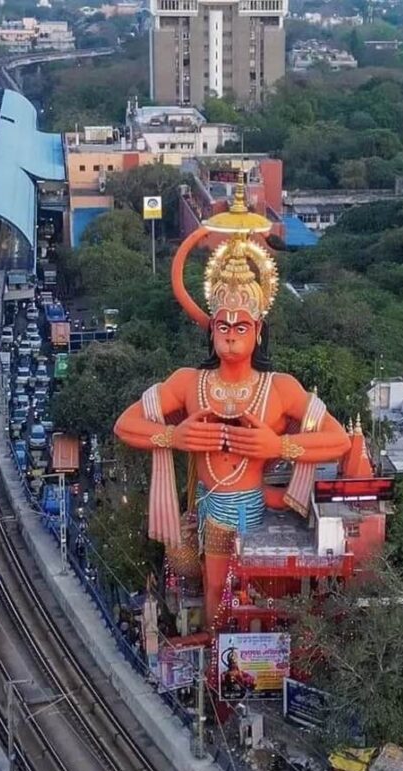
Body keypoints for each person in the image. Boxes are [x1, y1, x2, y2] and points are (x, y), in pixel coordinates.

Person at [114, 194, 350, 628]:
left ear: (258, 332)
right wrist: (172, 437)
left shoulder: (279, 388)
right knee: (213, 592)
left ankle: (234, 656)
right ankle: (215, 651)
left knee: (243, 597)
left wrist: (280, 444)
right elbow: (125, 425)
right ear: (212, 330)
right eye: (222, 325)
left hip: (255, 509)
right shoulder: (189, 382)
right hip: (207, 509)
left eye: (241, 326)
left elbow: (338, 441)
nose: (230, 335)